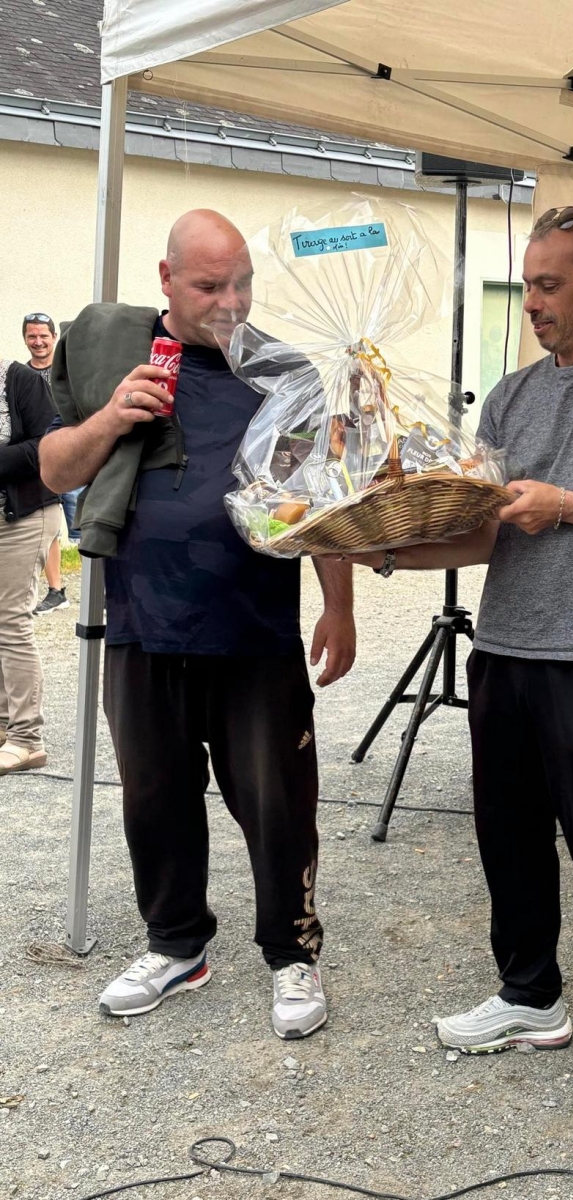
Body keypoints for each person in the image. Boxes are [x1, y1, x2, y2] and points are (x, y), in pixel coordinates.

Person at [335, 206, 573, 1112]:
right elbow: (483, 533)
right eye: (529, 285)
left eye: (549, 285)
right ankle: (530, 996)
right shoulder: (511, 394)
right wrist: (376, 550)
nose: (533, 302)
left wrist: (568, 504)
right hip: (502, 648)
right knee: (506, 838)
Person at [40, 209, 356, 1040]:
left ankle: (292, 953)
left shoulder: (284, 372)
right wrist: (114, 415)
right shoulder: (127, 359)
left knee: (278, 804)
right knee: (154, 798)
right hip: (142, 623)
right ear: (167, 280)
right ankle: (177, 945)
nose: (231, 302)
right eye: (211, 286)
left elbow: (319, 498)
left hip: (254, 629)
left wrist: (341, 606)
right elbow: (54, 470)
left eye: (243, 283)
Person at [0, 356, 61, 774]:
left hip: (23, 517)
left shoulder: (17, 378)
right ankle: (4, 724)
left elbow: (47, 443)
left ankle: (27, 739)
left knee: (10, 621)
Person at [21, 313, 76, 615]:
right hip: (40, 464)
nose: (38, 341)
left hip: (75, 459)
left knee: (89, 529)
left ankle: (105, 593)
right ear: (25, 339)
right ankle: (56, 592)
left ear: (54, 337)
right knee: (49, 529)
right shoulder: (20, 376)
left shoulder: (69, 369)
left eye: (43, 335)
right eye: (32, 336)